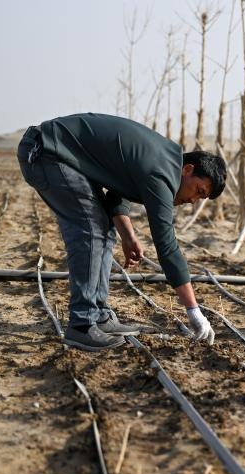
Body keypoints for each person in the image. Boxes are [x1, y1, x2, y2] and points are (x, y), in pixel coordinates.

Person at [17, 112, 225, 351]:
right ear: (187, 170)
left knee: (104, 226)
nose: (193, 201)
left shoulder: (163, 159)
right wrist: (193, 311)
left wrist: (128, 236)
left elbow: (118, 193)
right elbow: (166, 244)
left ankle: (99, 316)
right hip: (48, 153)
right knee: (91, 229)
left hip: (61, 154)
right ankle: (82, 325)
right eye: (199, 191)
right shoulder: (163, 173)